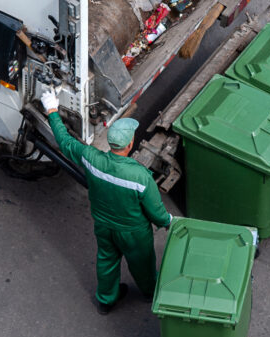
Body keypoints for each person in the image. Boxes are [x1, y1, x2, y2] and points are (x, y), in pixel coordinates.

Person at [41, 89, 172, 315]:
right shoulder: (140, 177)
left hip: (103, 225)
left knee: (106, 260)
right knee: (142, 265)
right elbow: (157, 213)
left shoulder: (92, 159)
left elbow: (64, 141)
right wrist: (170, 222)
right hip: (133, 233)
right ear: (130, 144)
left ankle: (106, 299)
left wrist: (52, 109)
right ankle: (149, 291)